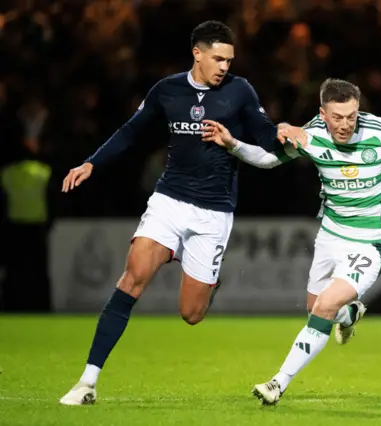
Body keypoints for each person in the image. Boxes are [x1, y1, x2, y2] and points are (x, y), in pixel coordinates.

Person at [59, 20, 306, 406]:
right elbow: (131, 130)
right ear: (197, 53)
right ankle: (87, 382)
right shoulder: (168, 89)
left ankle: (207, 283)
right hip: (169, 201)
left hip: (213, 213)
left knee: (191, 314)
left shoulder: (240, 91)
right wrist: (92, 163)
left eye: (229, 60)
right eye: (218, 58)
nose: (225, 66)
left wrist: (280, 132)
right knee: (131, 279)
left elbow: (262, 133)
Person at [203, 78, 381, 405]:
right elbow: (267, 160)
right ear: (323, 113)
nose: (345, 125)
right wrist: (232, 143)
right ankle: (350, 316)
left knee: (325, 306)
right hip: (331, 235)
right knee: (316, 309)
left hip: (372, 240)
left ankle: (277, 383)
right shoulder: (310, 135)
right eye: (337, 117)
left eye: (351, 116)